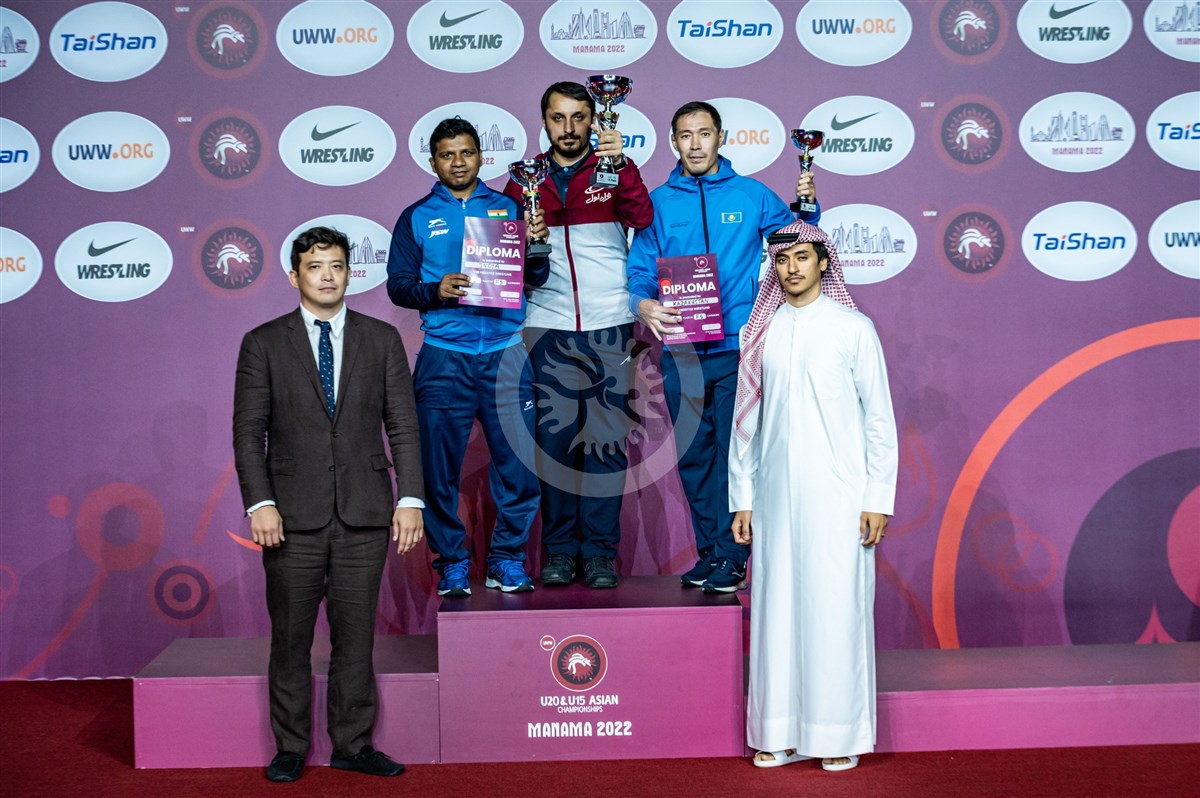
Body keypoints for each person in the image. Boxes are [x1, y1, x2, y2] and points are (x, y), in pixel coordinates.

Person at [233, 226, 424, 783]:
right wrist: (259, 503)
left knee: (355, 638)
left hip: (365, 511)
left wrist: (410, 498)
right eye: (315, 267)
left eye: (337, 266)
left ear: (349, 273)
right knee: (291, 638)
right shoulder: (263, 342)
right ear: (294, 276)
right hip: (289, 517)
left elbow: (403, 425)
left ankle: (353, 745)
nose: (327, 276)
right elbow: (248, 432)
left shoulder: (381, 339)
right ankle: (290, 746)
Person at [626, 100, 820, 593]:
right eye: (685, 135)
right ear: (674, 142)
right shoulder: (657, 203)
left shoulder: (752, 194)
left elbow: (796, 241)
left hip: (738, 348)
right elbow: (640, 269)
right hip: (682, 352)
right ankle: (711, 552)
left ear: (721, 138)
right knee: (693, 457)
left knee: (735, 456)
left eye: (704, 133)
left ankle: (733, 556)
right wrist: (641, 304)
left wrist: (809, 208)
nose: (695, 144)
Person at [728, 220, 897, 772]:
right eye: (782, 260)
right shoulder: (763, 331)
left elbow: (879, 421)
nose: (791, 268)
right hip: (775, 497)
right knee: (776, 613)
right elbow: (746, 425)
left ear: (824, 262)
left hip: (841, 497)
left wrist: (878, 497)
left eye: (802, 257)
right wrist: (743, 496)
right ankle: (776, 733)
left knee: (835, 611)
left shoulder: (854, 328)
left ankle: (837, 735)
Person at [502, 81, 654, 588]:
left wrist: (623, 165)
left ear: (593, 120)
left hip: (609, 320)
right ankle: (562, 551)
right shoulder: (523, 180)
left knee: (605, 443)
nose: (568, 128)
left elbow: (643, 217)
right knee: (556, 443)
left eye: (578, 117)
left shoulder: (614, 169)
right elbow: (506, 260)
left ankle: (601, 554)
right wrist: (529, 243)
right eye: (558, 118)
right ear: (544, 121)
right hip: (546, 322)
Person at [387, 117, 544, 597]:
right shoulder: (416, 216)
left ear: (481, 156)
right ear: (433, 161)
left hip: (505, 352)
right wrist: (435, 290)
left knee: (519, 468)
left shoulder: (510, 206)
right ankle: (452, 563)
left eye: (467, 152)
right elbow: (398, 286)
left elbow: (535, 277)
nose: (458, 162)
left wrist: (537, 244)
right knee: (438, 471)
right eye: (447, 155)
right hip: (444, 357)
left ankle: (506, 560)